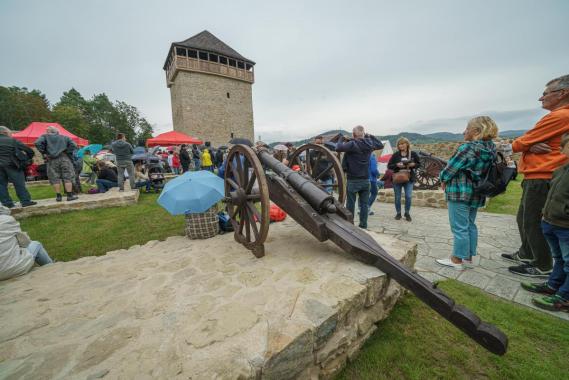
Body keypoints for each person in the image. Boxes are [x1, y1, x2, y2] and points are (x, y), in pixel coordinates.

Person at [503, 74, 569, 277]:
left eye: (545, 93)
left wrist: (526, 146)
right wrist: (530, 146)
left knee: (533, 221)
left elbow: (518, 143)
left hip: (543, 174)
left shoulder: (560, 116)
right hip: (536, 174)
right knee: (523, 218)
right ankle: (527, 252)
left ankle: (542, 264)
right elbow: (527, 141)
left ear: (562, 93)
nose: (541, 98)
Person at [436, 116, 498, 270]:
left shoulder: (468, 148)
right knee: (470, 225)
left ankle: (456, 260)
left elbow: (450, 169)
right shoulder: (491, 149)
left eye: (467, 128)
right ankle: (468, 258)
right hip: (478, 192)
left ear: (477, 131)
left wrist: (443, 179)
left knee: (459, 227)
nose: (464, 131)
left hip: (460, 191)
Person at [521, 133, 569, 312]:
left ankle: (564, 297)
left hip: (565, 224)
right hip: (551, 221)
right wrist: (545, 214)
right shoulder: (559, 170)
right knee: (559, 259)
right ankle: (553, 285)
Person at [335, 126, 384, 229]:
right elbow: (380, 145)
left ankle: (350, 226)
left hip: (353, 180)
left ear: (353, 134)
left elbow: (338, 147)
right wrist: (371, 136)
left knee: (350, 205)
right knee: (364, 205)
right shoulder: (369, 144)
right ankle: (363, 225)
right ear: (363, 133)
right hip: (366, 180)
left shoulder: (352, 144)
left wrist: (341, 139)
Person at [0, 205, 52, 281]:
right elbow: (25, 243)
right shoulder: (6, 220)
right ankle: (51, 267)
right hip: (15, 268)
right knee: (35, 244)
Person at [35, 125, 78, 202]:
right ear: (57, 132)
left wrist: (44, 152)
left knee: (54, 178)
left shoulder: (44, 136)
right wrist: (68, 151)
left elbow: (37, 143)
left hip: (51, 159)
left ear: (48, 132)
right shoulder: (65, 137)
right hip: (64, 158)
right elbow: (74, 145)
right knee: (68, 177)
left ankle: (58, 197)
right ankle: (69, 196)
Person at [0, 126, 37, 208]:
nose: (11, 134)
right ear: (5, 133)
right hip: (12, 165)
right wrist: (26, 159)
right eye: (10, 133)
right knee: (19, 183)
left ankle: (7, 203)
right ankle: (25, 201)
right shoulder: (12, 141)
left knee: (1, 185)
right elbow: (29, 151)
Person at [387, 137, 421, 221]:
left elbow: (419, 164)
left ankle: (407, 213)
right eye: (399, 144)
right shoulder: (395, 155)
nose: (401, 145)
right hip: (397, 177)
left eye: (402, 143)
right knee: (397, 197)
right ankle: (398, 213)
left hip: (409, 178)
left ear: (407, 144)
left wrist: (413, 164)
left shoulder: (412, 154)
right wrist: (397, 165)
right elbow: (389, 166)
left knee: (408, 196)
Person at [368, 151, 380, 215]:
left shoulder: (363, 155)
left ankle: (361, 208)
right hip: (371, 179)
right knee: (374, 193)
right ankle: (367, 207)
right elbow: (374, 169)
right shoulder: (372, 156)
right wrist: (378, 174)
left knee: (364, 194)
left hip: (363, 178)